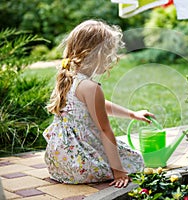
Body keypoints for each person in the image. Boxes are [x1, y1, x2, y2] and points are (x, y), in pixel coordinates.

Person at [43, 19, 154, 188]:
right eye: (109, 53)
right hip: (80, 165)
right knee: (134, 159)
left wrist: (132, 114)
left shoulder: (69, 78)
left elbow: (99, 105)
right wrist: (118, 171)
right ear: (97, 54)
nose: (112, 58)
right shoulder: (90, 87)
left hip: (59, 163)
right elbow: (104, 130)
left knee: (124, 153)